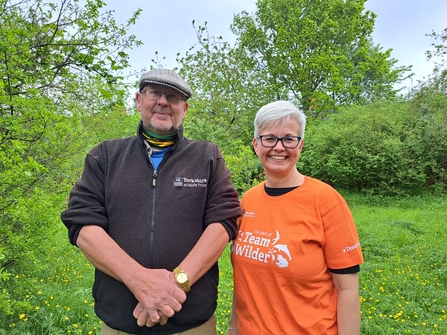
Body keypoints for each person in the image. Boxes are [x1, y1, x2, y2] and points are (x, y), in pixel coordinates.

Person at [61, 68, 241, 335]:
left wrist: (175, 286)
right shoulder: (105, 156)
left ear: (185, 108)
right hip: (120, 325)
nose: (163, 102)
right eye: (155, 93)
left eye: (173, 96)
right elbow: (83, 225)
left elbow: (224, 222)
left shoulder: (207, 157)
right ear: (138, 100)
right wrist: (139, 280)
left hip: (193, 325)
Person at [228, 100, 364, 335]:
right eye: (269, 138)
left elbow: (347, 289)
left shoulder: (326, 201)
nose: (279, 147)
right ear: (256, 145)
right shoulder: (247, 201)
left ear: (300, 145)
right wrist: (233, 329)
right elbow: (244, 282)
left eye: (289, 139)